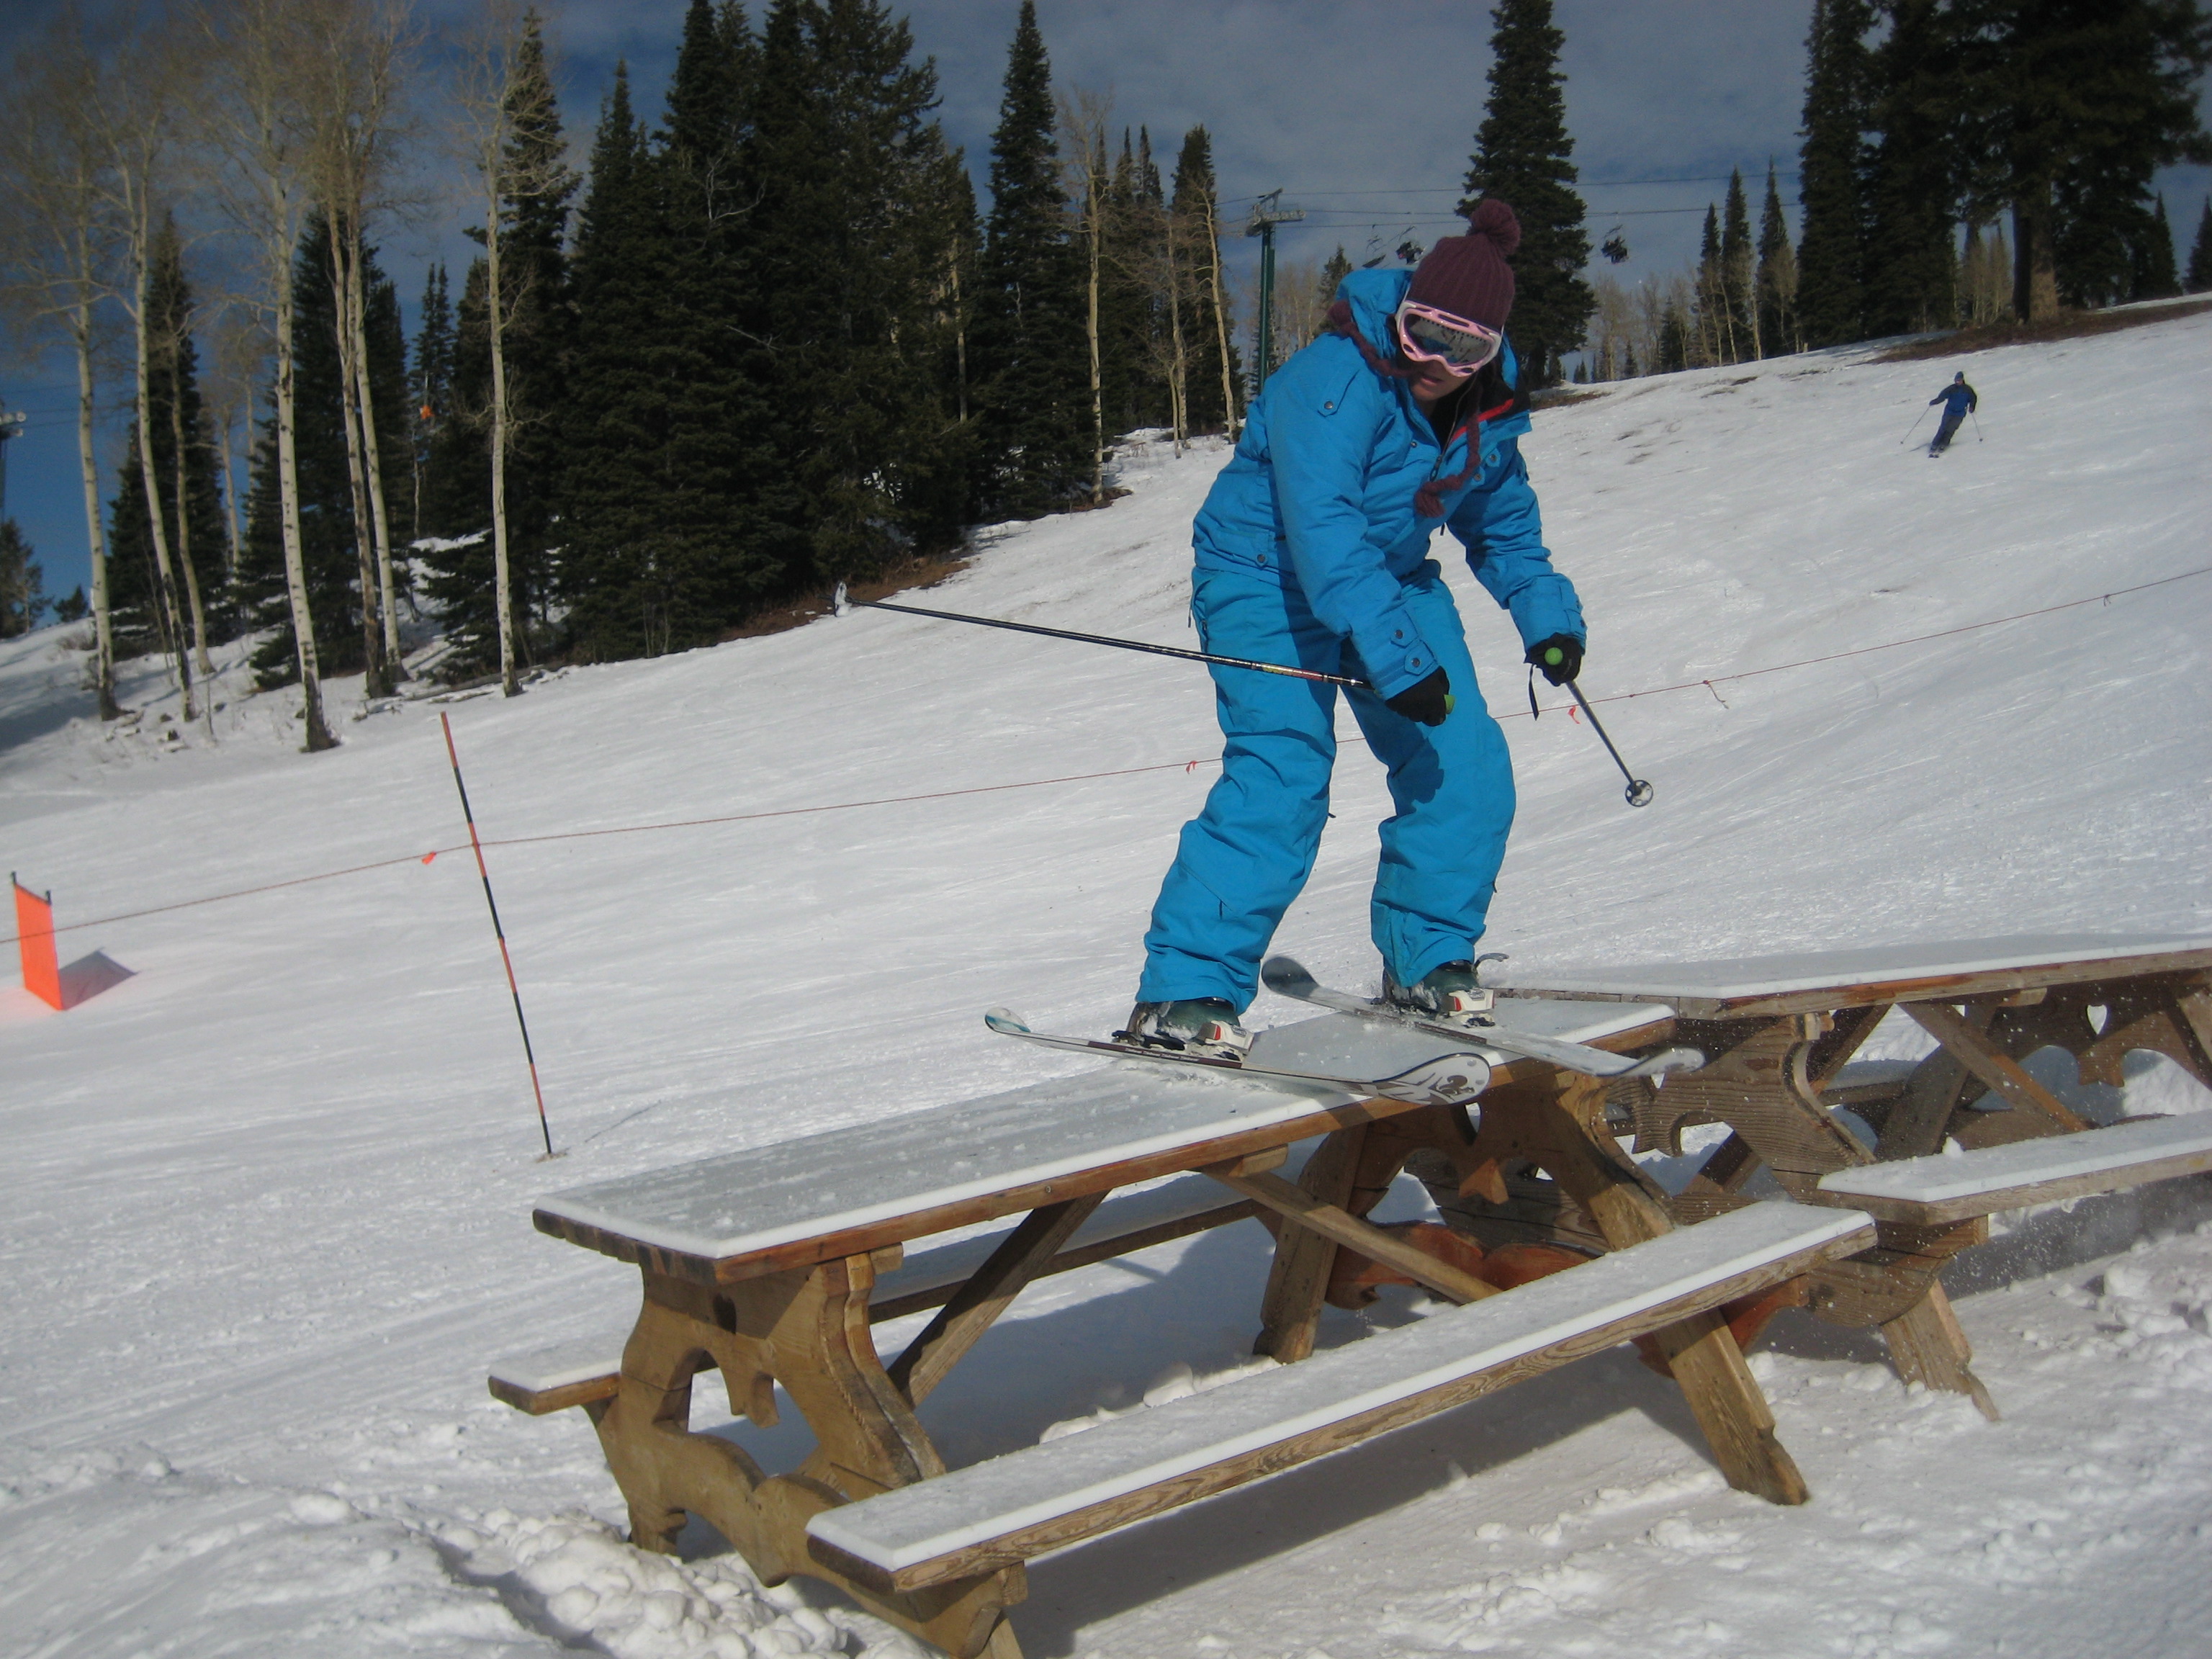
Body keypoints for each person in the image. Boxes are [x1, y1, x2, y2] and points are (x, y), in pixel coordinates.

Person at [1120, 199, 1586, 1058]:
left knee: (1466, 763)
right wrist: (1400, 659)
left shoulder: (1487, 409)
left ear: (1491, 351)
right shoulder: (1334, 378)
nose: (1437, 363)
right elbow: (1324, 527)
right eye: (1424, 334)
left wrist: (1546, 620)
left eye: (1463, 348)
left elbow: (1504, 525)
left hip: (1390, 580)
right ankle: (1186, 990)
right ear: (1401, 316)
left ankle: (1428, 959)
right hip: (1264, 577)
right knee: (1286, 773)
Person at [1928, 372, 1977, 457]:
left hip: (1960, 413)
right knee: (1943, 427)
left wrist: (1972, 407)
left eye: (1959, 380)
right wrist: (1935, 401)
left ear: (1963, 380)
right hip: (1949, 412)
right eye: (1956, 380)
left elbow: (1973, 398)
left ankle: (1944, 444)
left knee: (1951, 429)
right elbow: (1942, 396)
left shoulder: (1967, 389)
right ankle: (1935, 444)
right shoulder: (1952, 389)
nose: (1958, 382)